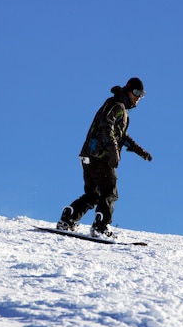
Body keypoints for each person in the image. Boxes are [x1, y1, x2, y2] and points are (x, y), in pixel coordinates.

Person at [57, 77, 152, 238]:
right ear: (128, 90)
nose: (138, 97)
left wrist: (138, 150)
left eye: (141, 94)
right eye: (136, 92)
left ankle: (69, 216)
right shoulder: (117, 106)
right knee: (109, 192)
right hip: (101, 157)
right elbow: (106, 127)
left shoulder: (116, 106)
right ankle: (101, 226)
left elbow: (120, 135)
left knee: (93, 194)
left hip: (88, 156)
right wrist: (113, 150)